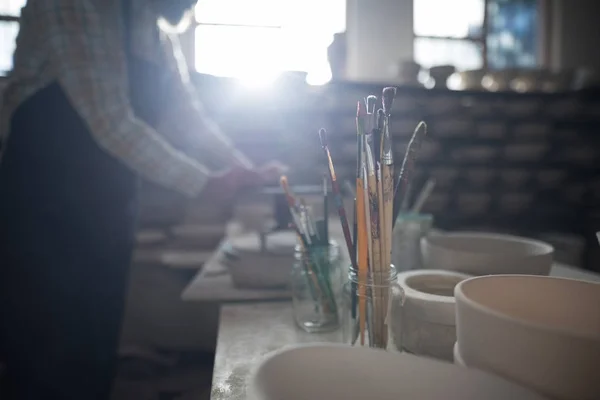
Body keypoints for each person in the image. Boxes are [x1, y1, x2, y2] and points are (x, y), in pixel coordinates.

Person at [0, 0, 283, 398]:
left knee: (97, 340)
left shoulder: (150, 25)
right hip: (45, 204)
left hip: (109, 201)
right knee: (48, 348)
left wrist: (242, 169)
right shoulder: (71, 6)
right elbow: (111, 121)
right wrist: (206, 182)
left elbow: (186, 116)